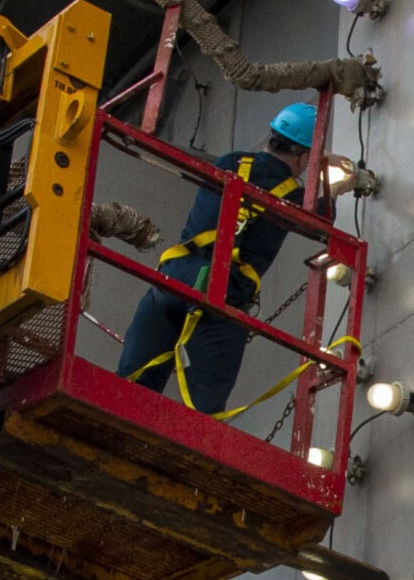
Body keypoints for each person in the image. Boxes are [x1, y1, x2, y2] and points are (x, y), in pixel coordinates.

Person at [117, 102, 324, 416]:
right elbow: (323, 221)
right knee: (203, 415)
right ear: (304, 157)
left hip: (173, 278)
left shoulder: (229, 162)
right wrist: (335, 181)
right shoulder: (294, 197)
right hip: (221, 293)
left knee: (128, 392)